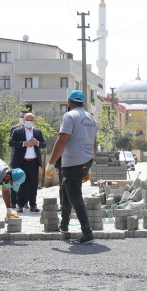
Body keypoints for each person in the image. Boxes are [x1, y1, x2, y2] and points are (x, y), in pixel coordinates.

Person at [46, 90, 98, 245]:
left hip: (73, 162)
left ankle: (87, 233)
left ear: (69, 102)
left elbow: (62, 142)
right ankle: (64, 224)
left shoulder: (69, 116)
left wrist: (50, 163)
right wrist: (89, 166)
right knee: (66, 189)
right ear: (82, 103)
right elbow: (94, 144)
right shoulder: (91, 119)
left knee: (74, 195)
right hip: (85, 160)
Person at [9, 112, 46, 213]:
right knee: (21, 184)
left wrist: (36, 143)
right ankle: (20, 205)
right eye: (27, 120)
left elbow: (43, 144)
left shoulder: (38, 132)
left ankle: (33, 205)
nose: (29, 122)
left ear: (34, 121)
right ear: (24, 121)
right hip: (21, 162)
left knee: (33, 184)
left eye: (31, 120)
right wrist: (24, 144)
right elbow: (11, 143)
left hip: (34, 162)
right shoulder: (17, 131)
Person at [9, 110, 27, 209]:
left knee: (25, 181)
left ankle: (25, 201)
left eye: (23, 117)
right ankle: (13, 201)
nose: (22, 119)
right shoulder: (14, 129)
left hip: (27, 158)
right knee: (14, 179)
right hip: (16, 157)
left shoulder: (32, 130)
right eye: (20, 117)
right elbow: (12, 143)